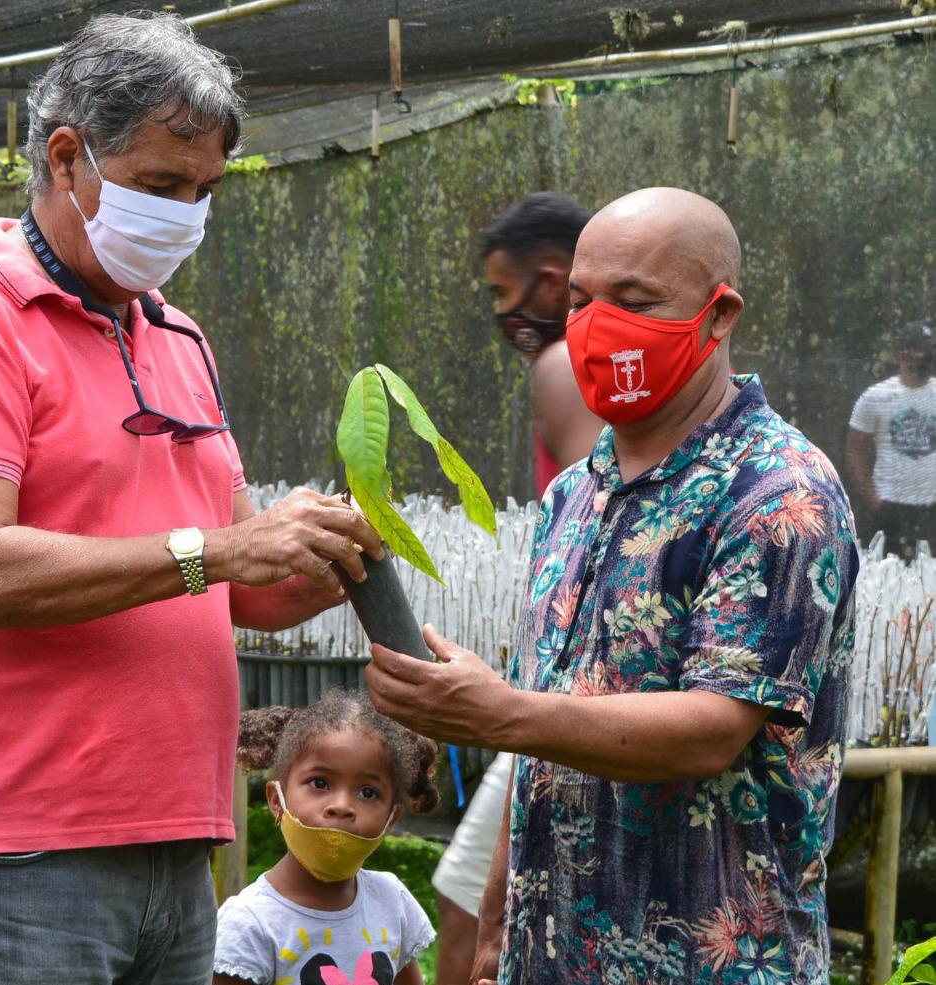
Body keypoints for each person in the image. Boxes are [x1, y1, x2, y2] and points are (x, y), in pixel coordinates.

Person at [0, 13, 382, 985]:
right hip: (14, 855)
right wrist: (220, 551)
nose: (185, 215)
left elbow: (242, 589)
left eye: (204, 191)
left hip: (176, 841)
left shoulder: (176, 336)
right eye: (159, 185)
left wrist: (328, 550)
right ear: (67, 156)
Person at [367, 187, 858, 985]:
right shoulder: (574, 494)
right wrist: (496, 920)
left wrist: (502, 711)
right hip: (552, 955)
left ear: (719, 312)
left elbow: (711, 727)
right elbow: (540, 723)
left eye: (634, 300)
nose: (598, 324)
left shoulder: (776, 492)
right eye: (583, 300)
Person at [431, 192, 604, 985]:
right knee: (470, 892)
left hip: (568, 688)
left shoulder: (565, 363)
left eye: (509, 294)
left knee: (478, 905)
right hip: (564, 689)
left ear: (556, 278)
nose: (505, 315)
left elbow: (591, 531)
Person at [214, 689, 438, 985]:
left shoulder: (392, 901)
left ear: (391, 818)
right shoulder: (248, 924)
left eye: (368, 792)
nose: (342, 806)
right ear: (276, 800)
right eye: (320, 783)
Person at [482, 192, 604, 498]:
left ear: (551, 283)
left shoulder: (569, 364)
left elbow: (591, 517)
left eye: (502, 292)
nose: (501, 310)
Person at [847, 319, 936, 558]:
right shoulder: (876, 397)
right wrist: (873, 499)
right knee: (888, 580)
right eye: (922, 350)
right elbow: (855, 451)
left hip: (931, 507)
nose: (928, 355)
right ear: (903, 355)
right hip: (890, 505)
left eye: (931, 350)